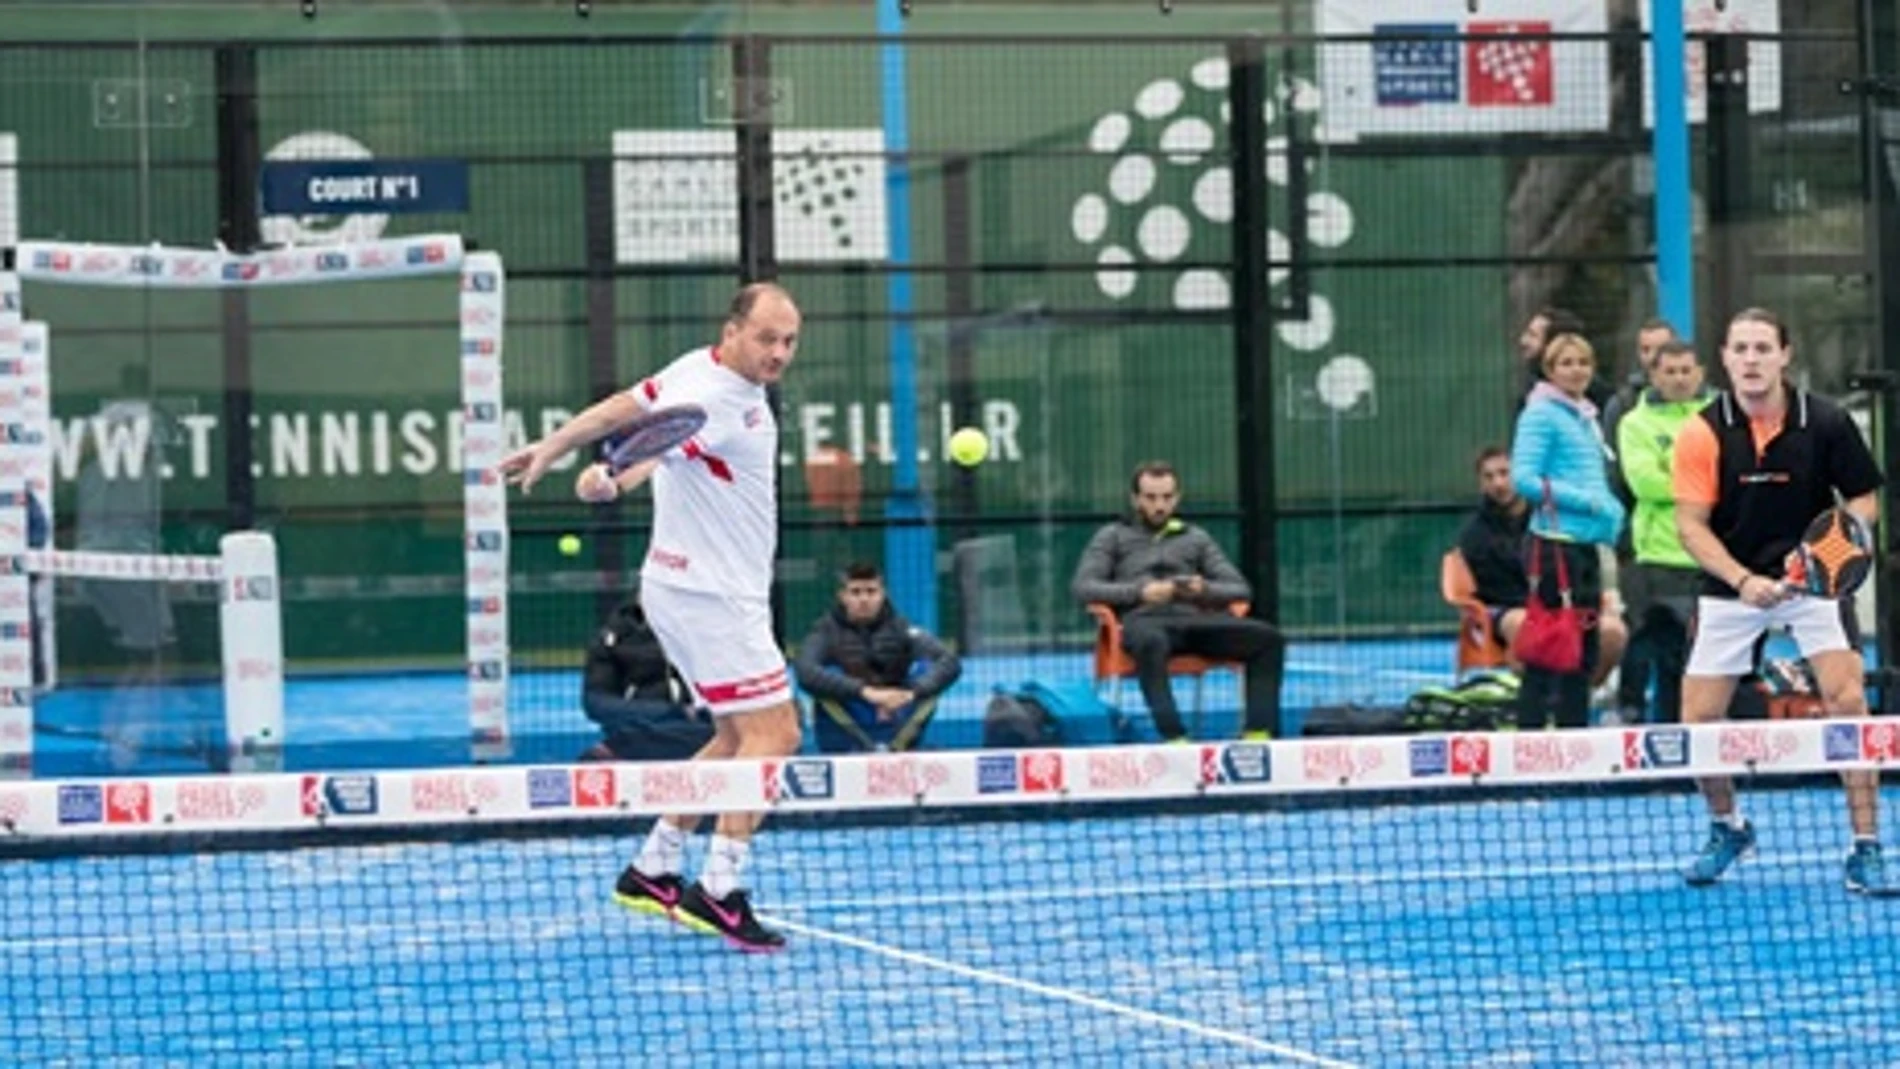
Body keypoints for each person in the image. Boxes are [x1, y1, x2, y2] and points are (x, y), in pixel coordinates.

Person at [499, 282, 804, 950]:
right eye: (767, 338)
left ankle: (652, 867)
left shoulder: (696, 372)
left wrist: (607, 474)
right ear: (732, 330)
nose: (779, 352)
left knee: (734, 737)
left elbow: (657, 436)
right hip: (712, 596)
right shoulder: (717, 394)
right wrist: (561, 451)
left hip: (693, 590)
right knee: (776, 733)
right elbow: (634, 420)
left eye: (789, 341)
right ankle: (719, 891)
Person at [1670, 308, 1892, 895]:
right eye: (1740, 348)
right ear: (1724, 358)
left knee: (1848, 705)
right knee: (1696, 720)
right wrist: (1743, 581)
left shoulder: (1827, 423)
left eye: (1762, 348)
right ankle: (1727, 826)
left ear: (1784, 355)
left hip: (1812, 587)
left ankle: (1866, 847)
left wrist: (1826, 555)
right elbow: (1691, 527)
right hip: (1731, 584)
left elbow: (1865, 502)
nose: (1751, 359)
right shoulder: (1701, 432)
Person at [1071, 460, 1284, 741]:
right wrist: (1140, 592)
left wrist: (1202, 590)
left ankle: (1257, 735)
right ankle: (1174, 737)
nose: (1159, 506)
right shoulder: (1112, 536)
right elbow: (1084, 587)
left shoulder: (1196, 538)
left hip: (1196, 622)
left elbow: (1239, 588)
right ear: (1135, 499)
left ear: (1177, 498)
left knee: (1269, 639)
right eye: (1150, 498)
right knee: (1151, 642)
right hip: (1144, 622)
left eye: (1167, 497)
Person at [1508, 333, 1625, 729]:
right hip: (1554, 546)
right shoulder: (1540, 414)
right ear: (1550, 370)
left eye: (1583, 363)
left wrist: (1609, 515)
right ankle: (1531, 740)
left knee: (1583, 650)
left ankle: (1575, 740)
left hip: (1586, 545)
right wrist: (1585, 501)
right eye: (1567, 363)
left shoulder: (1584, 415)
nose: (1577, 371)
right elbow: (1524, 479)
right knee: (1548, 648)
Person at [1457, 447, 1626, 681]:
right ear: (1481, 484)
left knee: (1612, 632)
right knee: (1525, 626)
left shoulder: (1553, 520)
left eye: (1505, 473)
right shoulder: (1474, 535)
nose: (1498, 483)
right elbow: (1490, 590)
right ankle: (1536, 704)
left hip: (1560, 605)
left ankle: (1580, 697)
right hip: (1504, 611)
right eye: (1489, 476)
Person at [1611, 339, 1712, 724]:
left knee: (1703, 657)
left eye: (1686, 370)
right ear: (1654, 375)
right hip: (1658, 556)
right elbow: (1645, 483)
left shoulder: (1720, 416)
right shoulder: (1634, 423)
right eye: (1670, 371)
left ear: (1700, 372)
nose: (1679, 379)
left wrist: (1677, 472)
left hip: (1711, 554)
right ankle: (1636, 716)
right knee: (1657, 651)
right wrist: (1701, 482)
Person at [794, 562, 962, 754]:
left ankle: (898, 746)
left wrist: (910, 693)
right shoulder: (824, 632)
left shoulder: (901, 627)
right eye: (855, 592)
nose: (864, 599)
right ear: (842, 597)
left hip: (897, 711)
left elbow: (950, 662)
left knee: (927, 670)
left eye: (871, 591)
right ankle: (863, 747)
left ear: (883, 594)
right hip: (846, 722)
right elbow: (804, 671)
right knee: (826, 676)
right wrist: (865, 693)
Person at [577, 590, 715, 763]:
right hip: (638, 733)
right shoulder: (615, 636)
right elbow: (596, 703)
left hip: (701, 733)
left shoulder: (713, 632)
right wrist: (671, 712)